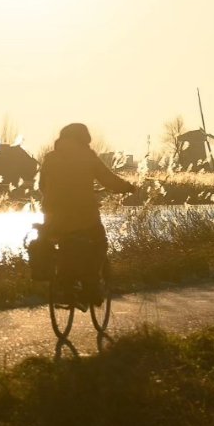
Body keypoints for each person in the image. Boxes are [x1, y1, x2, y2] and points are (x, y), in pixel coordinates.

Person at [39, 122, 137, 303]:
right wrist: (128, 187)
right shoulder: (87, 156)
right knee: (99, 243)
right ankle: (90, 285)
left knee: (62, 242)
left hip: (53, 218)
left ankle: (64, 285)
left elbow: (42, 186)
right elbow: (109, 181)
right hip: (83, 216)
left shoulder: (49, 158)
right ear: (84, 138)